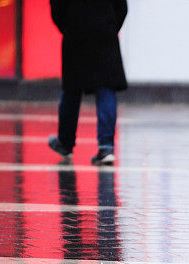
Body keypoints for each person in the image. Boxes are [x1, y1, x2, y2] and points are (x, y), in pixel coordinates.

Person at [48, 0, 128, 166]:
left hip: (76, 30)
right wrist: (110, 25)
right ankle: (106, 147)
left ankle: (65, 142)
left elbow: (57, 7)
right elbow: (121, 7)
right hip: (104, 30)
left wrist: (69, 27)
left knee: (72, 88)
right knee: (106, 87)